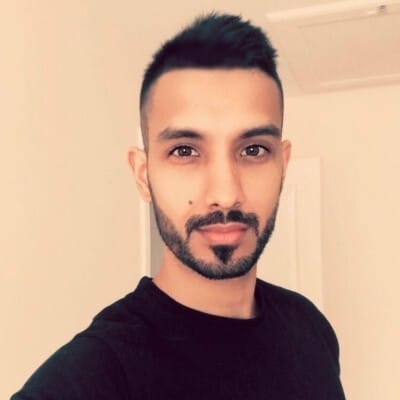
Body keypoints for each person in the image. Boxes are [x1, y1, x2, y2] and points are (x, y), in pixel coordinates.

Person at [11, 13, 346, 399]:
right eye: (185, 151)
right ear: (143, 175)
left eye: (253, 150)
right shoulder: (97, 373)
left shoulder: (310, 327)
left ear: (282, 167)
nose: (225, 193)